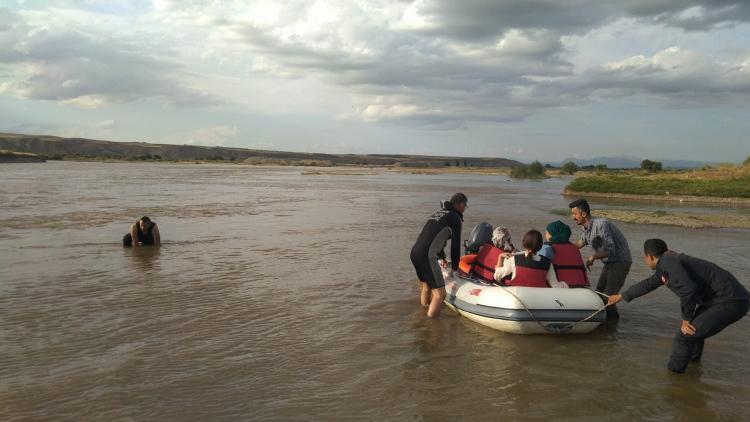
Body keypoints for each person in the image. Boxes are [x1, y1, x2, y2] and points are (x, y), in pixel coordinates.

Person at [607, 239, 749, 374]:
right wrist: (621, 296)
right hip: (723, 299)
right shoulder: (668, 263)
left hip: (730, 300)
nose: (644, 261)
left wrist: (686, 319)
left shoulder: (668, 262)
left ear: (649, 256)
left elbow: (688, 289)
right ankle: (692, 369)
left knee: (685, 335)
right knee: (694, 333)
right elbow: (649, 284)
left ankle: (674, 379)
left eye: (644, 257)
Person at [569, 199, 631, 318]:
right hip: (610, 263)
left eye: (575, 214)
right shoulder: (586, 229)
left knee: (608, 297)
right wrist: (559, 246)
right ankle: (606, 326)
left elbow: (610, 249)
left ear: (583, 214)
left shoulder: (601, 224)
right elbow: (578, 245)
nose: (573, 217)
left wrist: (593, 257)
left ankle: (612, 327)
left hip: (620, 262)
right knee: (599, 293)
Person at [410, 193, 467, 318]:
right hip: (426, 256)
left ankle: (423, 313)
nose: (464, 209)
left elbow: (433, 237)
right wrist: (455, 269)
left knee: (426, 286)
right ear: (461, 204)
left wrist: (441, 257)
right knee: (440, 294)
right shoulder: (455, 218)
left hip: (414, 253)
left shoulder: (439, 213)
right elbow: (455, 245)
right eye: (465, 206)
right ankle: (430, 326)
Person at [493, 229, 569, 288]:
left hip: (517, 296)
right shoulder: (547, 263)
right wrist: (565, 285)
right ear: (540, 246)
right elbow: (555, 285)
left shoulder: (513, 260)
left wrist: (500, 258)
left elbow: (496, 276)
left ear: (523, 243)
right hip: (537, 300)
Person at [544, 220, 589, 287]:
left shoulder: (547, 248)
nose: (545, 235)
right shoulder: (575, 248)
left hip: (560, 287)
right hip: (580, 286)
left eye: (547, 233)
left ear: (553, 234)